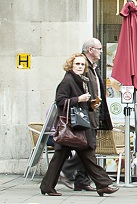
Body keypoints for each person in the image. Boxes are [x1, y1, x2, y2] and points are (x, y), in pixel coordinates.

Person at [40, 54, 118, 197]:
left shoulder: (80, 80)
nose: (80, 67)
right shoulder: (68, 80)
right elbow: (60, 101)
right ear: (71, 66)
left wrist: (90, 104)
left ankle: (47, 186)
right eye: (77, 64)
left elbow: (77, 103)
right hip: (72, 127)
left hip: (76, 126)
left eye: (82, 64)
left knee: (64, 158)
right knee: (86, 154)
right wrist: (79, 99)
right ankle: (103, 184)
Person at [60, 38, 113, 192]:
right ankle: (66, 171)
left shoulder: (93, 68)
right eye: (99, 49)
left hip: (92, 112)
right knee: (89, 147)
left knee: (88, 147)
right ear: (90, 50)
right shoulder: (83, 67)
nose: (101, 52)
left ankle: (81, 180)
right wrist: (85, 103)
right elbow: (74, 90)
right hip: (85, 114)